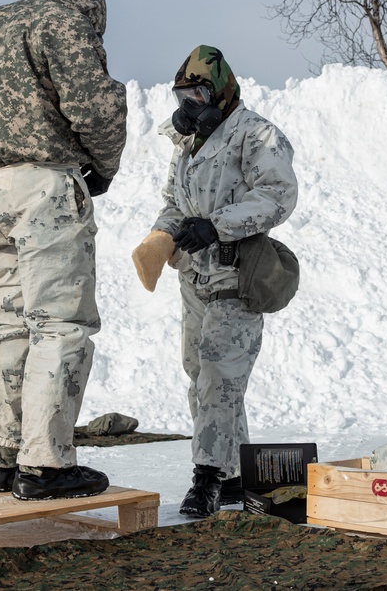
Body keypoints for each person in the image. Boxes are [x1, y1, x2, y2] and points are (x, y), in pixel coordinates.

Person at [0, 0, 127, 500]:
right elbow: (98, 107)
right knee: (59, 325)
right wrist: (102, 167)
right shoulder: (64, 24)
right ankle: (46, 465)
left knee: (7, 325)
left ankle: (1, 455)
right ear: (92, 12)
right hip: (45, 187)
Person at [132, 45, 298, 517]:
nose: (189, 104)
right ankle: (233, 476)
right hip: (195, 277)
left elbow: (278, 195)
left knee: (219, 379)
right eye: (182, 95)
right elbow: (173, 201)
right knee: (200, 375)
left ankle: (205, 478)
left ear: (221, 92)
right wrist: (162, 237)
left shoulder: (255, 134)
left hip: (236, 274)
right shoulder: (187, 145)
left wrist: (217, 224)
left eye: (199, 93)